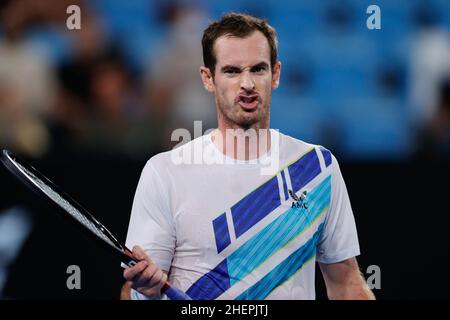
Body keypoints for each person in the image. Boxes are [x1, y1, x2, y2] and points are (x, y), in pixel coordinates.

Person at [121, 13, 374, 300]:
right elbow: (135, 291)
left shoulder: (318, 167)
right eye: (231, 71)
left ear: (275, 74)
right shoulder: (164, 172)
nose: (248, 84)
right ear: (208, 78)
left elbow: (345, 283)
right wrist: (144, 293)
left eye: (258, 69)